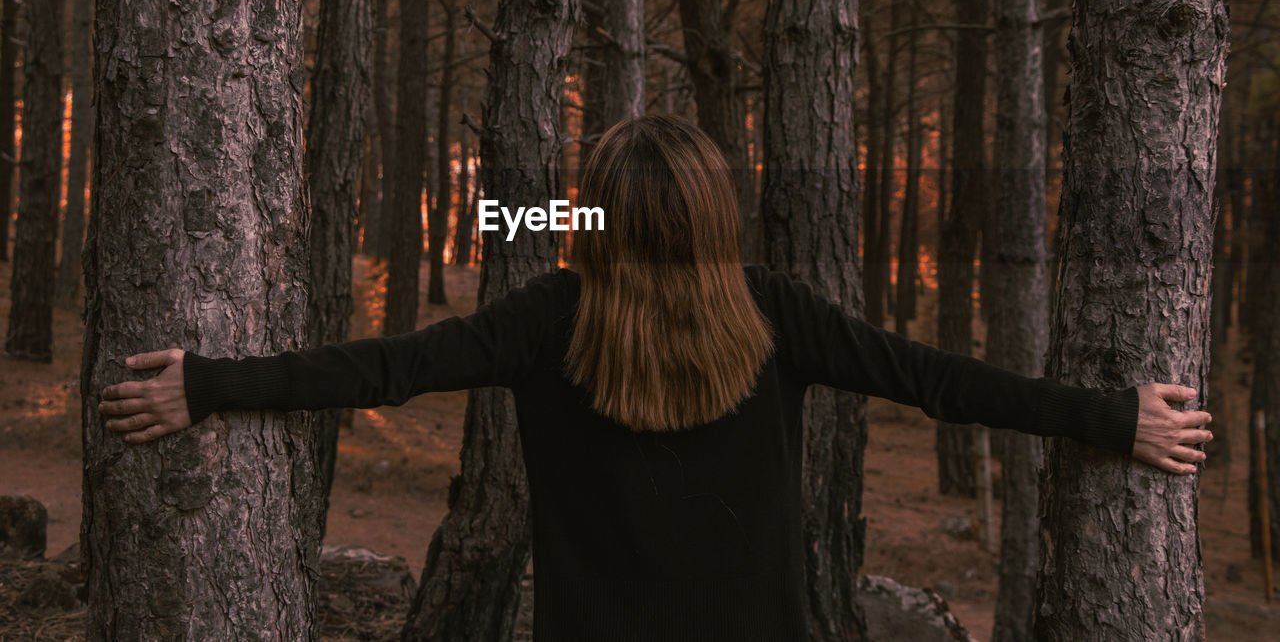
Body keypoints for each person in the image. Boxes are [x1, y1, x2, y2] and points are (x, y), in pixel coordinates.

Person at [98, 113, 1212, 641]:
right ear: (714, 214)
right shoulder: (772, 310)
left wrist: (209, 383)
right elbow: (941, 383)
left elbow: (383, 369)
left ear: (597, 218)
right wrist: (1109, 418)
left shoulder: (551, 316)